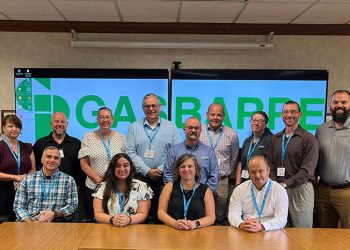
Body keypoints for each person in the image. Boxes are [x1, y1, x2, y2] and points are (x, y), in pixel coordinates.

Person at [126, 93, 181, 222]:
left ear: (160, 106)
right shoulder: (134, 127)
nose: (151, 109)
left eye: (154, 105)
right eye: (147, 106)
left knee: (161, 215)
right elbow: (130, 152)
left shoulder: (171, 127)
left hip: (165, 178)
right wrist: (147, 170)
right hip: (140, 177)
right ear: (143, 108)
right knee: (140, 215)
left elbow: (176, 151)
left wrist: (161, 169)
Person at [267, 100, 318, 228]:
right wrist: (275, 184)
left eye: (293, 112)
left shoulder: (309, 139)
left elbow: (307, 170)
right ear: (281, 115)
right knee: (278, 229)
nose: (289, 115)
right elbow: (270, 164)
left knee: (302, 231)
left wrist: (285, 184)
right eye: (286, 112)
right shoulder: (275, 138)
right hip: (278, 189)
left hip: (300, 189)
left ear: (300, 114)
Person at [79, 107, 125, 221]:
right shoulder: (88, 137)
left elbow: (125, 162)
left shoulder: (121, 137)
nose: (105, 120)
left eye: (108, 117)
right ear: (97, 120)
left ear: (113, 120)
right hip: (93, 186)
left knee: (114, 218)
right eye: (101, 117)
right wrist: (99, 181)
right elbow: (83, 163)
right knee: (94, 219)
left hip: (116, 186)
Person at [13, 146, 78, 222]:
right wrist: (29, 222)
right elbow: (18, 205)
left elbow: (73, 206)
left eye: (56, 158)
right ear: (42, 160)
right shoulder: (28, 179)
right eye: (49, 157)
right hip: (32, 222)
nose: (52, 160)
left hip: (57, 223)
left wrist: (54, 214)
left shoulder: (69, 180)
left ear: (59, 162)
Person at [315, 90, 350, 228]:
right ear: (330, 105)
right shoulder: (321, 129)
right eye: (335, 102)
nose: (339, 105)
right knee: (325, 235)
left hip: (347, 192)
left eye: (344, 102)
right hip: (322, 191)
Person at [199, 103, 239, 225]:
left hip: (221, 181)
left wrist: (224, 173)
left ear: (224, 116)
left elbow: (234, 158)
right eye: (212, 114)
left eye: (219, 115)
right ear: (207, 115)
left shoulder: (232, 134)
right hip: (202, 180)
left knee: (220, 215)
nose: (215, 117)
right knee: (201, 211)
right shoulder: (199, 130)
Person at [228, 155, 288, 232]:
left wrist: (262, 226)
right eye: (253, 172)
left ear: (268, 170)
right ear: (249, 172)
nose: (257, 175)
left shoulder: (279, 190)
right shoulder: (239, 189)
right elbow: (233, 214)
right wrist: (241, 224)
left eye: (261, 171)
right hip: (245, 230)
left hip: (270, 231)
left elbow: (281, 219)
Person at [93, 153, 153, 226]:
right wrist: (112, 219)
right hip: (109, 228)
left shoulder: (142, 187)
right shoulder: (102, 187)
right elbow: (98, 214)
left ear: (130, 167)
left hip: (134, 231)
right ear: (112, 168)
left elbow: (143, 214)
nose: (122, 169)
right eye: (117, 166)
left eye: (125, 165)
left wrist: (129, 220)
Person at [158, 154, 215, 230]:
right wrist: (175, 224)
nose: (186, 169)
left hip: (197, 232)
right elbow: (161, 213)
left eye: (190, 166)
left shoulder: (206, 190)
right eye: (182, 166)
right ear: (178, 170)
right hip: (172, 231)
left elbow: (211, 217)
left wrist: (195, 224)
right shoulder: (169, 187)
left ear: (196, 169)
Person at [164, 117, 219, 192]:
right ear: (184, 130)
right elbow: (167, 174)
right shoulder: (173, 151)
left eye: (196, 128)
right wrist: (175, 192)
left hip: (202, 196)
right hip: (178, 195)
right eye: (190, 127)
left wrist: (204, 193)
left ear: (200, 131)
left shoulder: (209, 152)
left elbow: (214, 176)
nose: (193, 130)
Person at [0, 114, 36, 221]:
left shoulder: (27, 147)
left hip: (25, 190)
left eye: (17, 126)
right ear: (3, 128)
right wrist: (16, 177)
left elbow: (33, 169)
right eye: (10, 126)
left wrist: (23, 179)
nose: (14, 129)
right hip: (3, 193)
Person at [33, 112, 83, 188]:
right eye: (56, 121)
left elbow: (80, 168)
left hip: (71, 188)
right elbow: (36, 167)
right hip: (44, 188)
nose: (59, 124)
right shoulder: (40, 144)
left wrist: (78, 186)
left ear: (67, 124)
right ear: (51, 124)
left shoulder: (76, 143)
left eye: (62, 122)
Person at [236, 111, 272, 184]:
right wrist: (238, 184)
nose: (256, 123)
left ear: (265, 124)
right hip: (244, 182)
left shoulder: (270, 140)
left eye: (260, 121)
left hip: (260, 183)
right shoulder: (247, 141)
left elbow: (270, 165)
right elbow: (240, 163)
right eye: (254, 120)